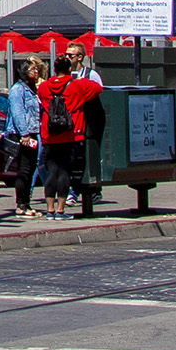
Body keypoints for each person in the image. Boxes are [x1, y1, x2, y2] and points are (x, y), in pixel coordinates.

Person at [35, 51, 85, 220]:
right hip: (69, 135)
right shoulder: (77, 86)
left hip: (49, 135)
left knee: (51, 172)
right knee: (65, 172)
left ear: (54, 69)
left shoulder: (44, 87)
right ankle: (61, 210)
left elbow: (41, 100)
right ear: (69, 69)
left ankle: (49, 210)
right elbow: (97, 89)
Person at [64, 45, 105, 217]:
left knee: (90, 157)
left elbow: (98, 93)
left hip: (90, 123)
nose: (67, 57)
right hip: (70, 125)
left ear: (80, 57)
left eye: (70, 55)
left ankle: (93, 190)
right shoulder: (64, 75)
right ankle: (73, 192)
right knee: (73, 160)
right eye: (65, 54)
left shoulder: (91, 75)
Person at [5, 58, 46, 214]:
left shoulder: (32, 89)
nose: (36, 72)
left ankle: (26, 203)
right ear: (23, 72)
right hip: (23, 134)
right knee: (24, 169)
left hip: (33, 132)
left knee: (30, 167)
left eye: (36, 70)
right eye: (32, 70)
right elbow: (18, 113)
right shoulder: (18, 90)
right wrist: (25, 134)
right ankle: (21, 204)